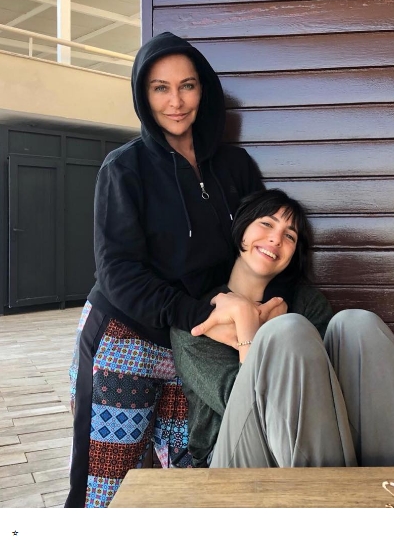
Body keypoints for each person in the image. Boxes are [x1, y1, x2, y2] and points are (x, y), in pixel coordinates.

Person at [65, 33, 286, 508]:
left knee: (183, 487)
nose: (176, 102)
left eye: (187, 85)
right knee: (107, 487)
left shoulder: (235, 166)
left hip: (195, 344)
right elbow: (119, 273)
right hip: (127, 339)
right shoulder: (124, 168)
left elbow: (258, 246)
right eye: (160, 88)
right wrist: (202, 314)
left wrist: (266, 306)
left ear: (203, 89)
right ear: (143, 95)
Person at [171, 188, 394, 469]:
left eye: (290, 236)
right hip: (231, 459)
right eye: (267, 224)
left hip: (319, 446)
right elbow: (243, 405)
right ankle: (325, 493)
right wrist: (248, 324)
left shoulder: (306, 302)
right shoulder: (196, 318)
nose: (276, 239)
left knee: (358, 323)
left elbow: (326, 394)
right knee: (288, 330)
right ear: (241, 230)